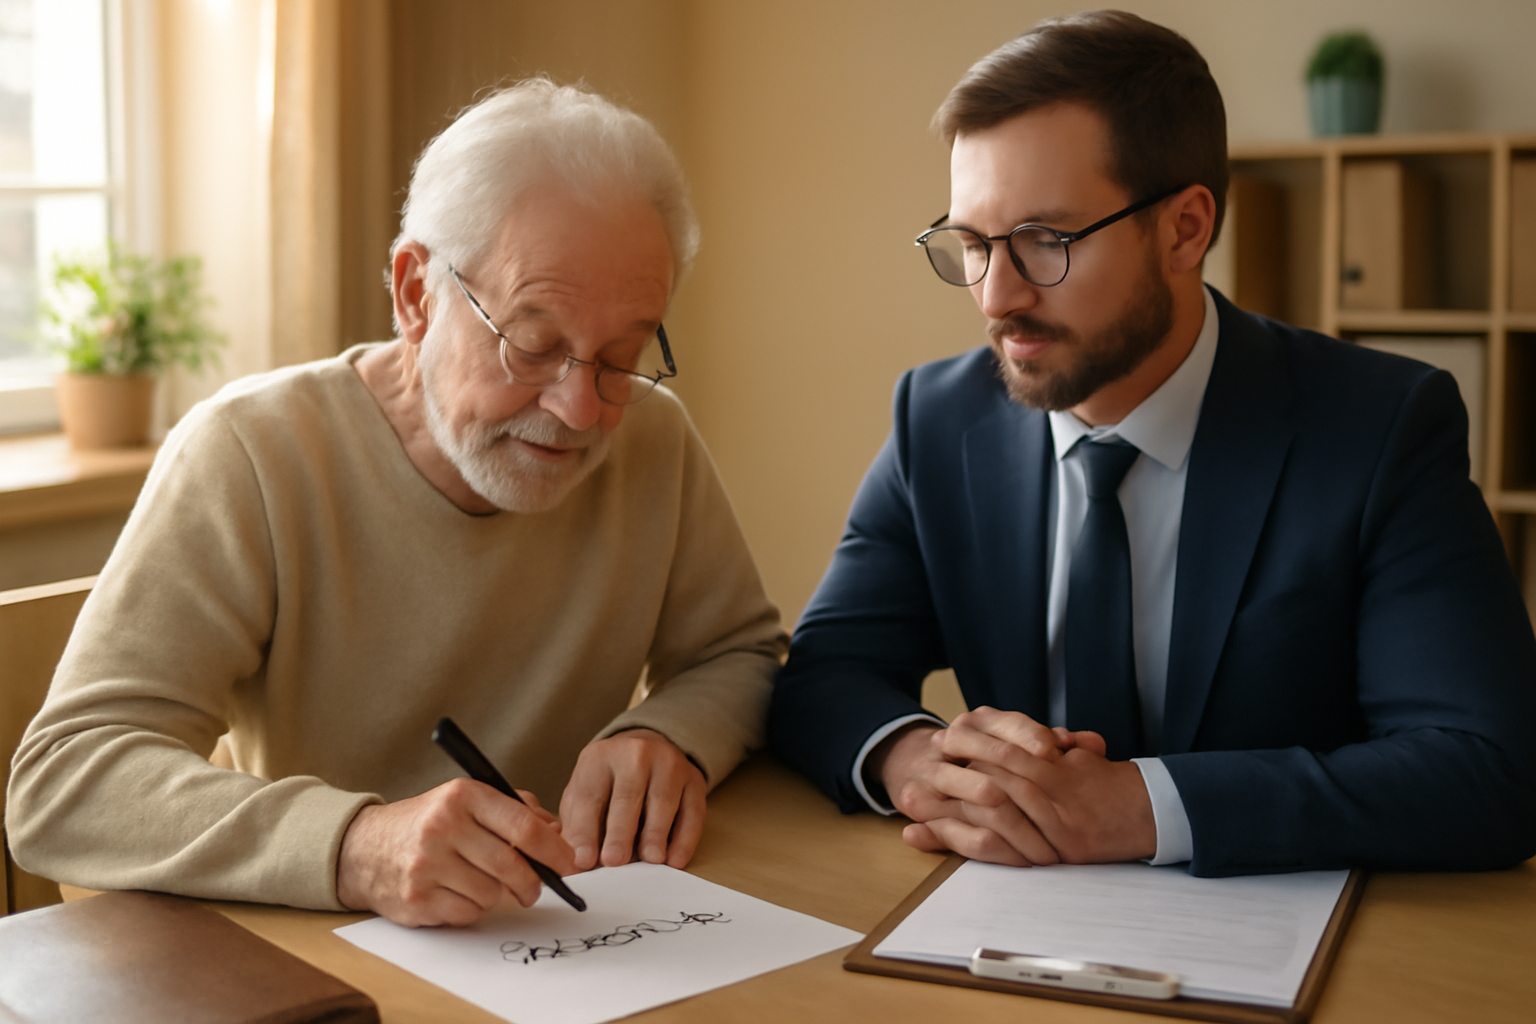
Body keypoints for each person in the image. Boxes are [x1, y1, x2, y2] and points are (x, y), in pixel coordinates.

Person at [768, 10, 1536, 876]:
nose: (995, 298)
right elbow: (823, 677)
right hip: (1004, 938)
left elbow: (1489, 769)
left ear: (1185, 228)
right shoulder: (937, 420)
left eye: (1043, 242)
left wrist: (1139, 808)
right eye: (974, 244)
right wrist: (918, 766)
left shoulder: (1380, 428)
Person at [8, 80, 785, 926]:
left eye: (622, 356)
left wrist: (667, 735)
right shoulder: (252, 454)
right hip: (325, 956)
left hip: (580, 935)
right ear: (415, 293)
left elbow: (741, 654)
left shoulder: (651, 438)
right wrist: (356, 845)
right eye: (533, 345)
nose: (581, 411)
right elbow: (65, 782)